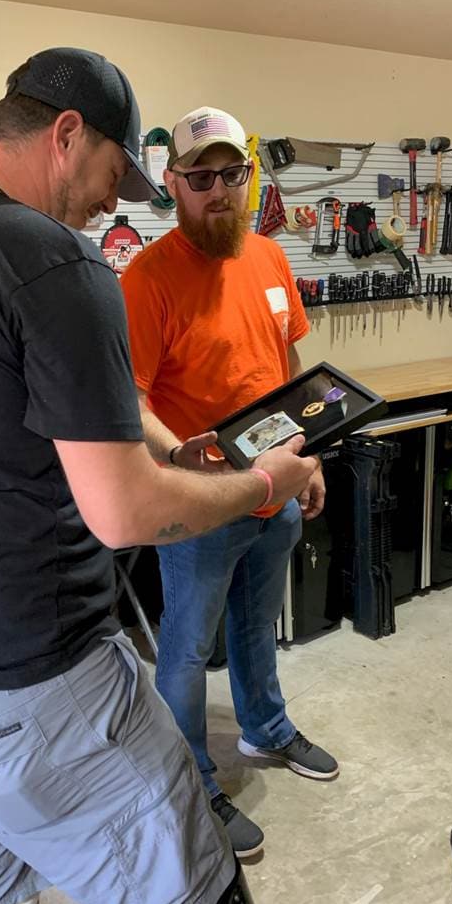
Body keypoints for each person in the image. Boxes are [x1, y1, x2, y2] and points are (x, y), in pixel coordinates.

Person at [0, 51, 319, 904]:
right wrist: (264, 483)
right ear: (65, 134)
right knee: (193, 892)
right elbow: (124, 512)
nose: (111, 202)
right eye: (110, 174)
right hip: (34, 690)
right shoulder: (54, 261)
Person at [120, 105, 340, 860]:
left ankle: (266, 727)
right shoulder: (148, 279)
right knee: (185, 650)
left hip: (273, 488)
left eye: (231, 173)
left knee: (255, 628)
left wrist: (304, 462)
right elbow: (132, 398)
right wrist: (180, 454)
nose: (220, 191)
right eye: (200, 177)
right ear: (174, 184)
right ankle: (191, 780)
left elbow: (285, 377)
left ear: (249, 175)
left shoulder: (272, 260)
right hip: (202, 507)